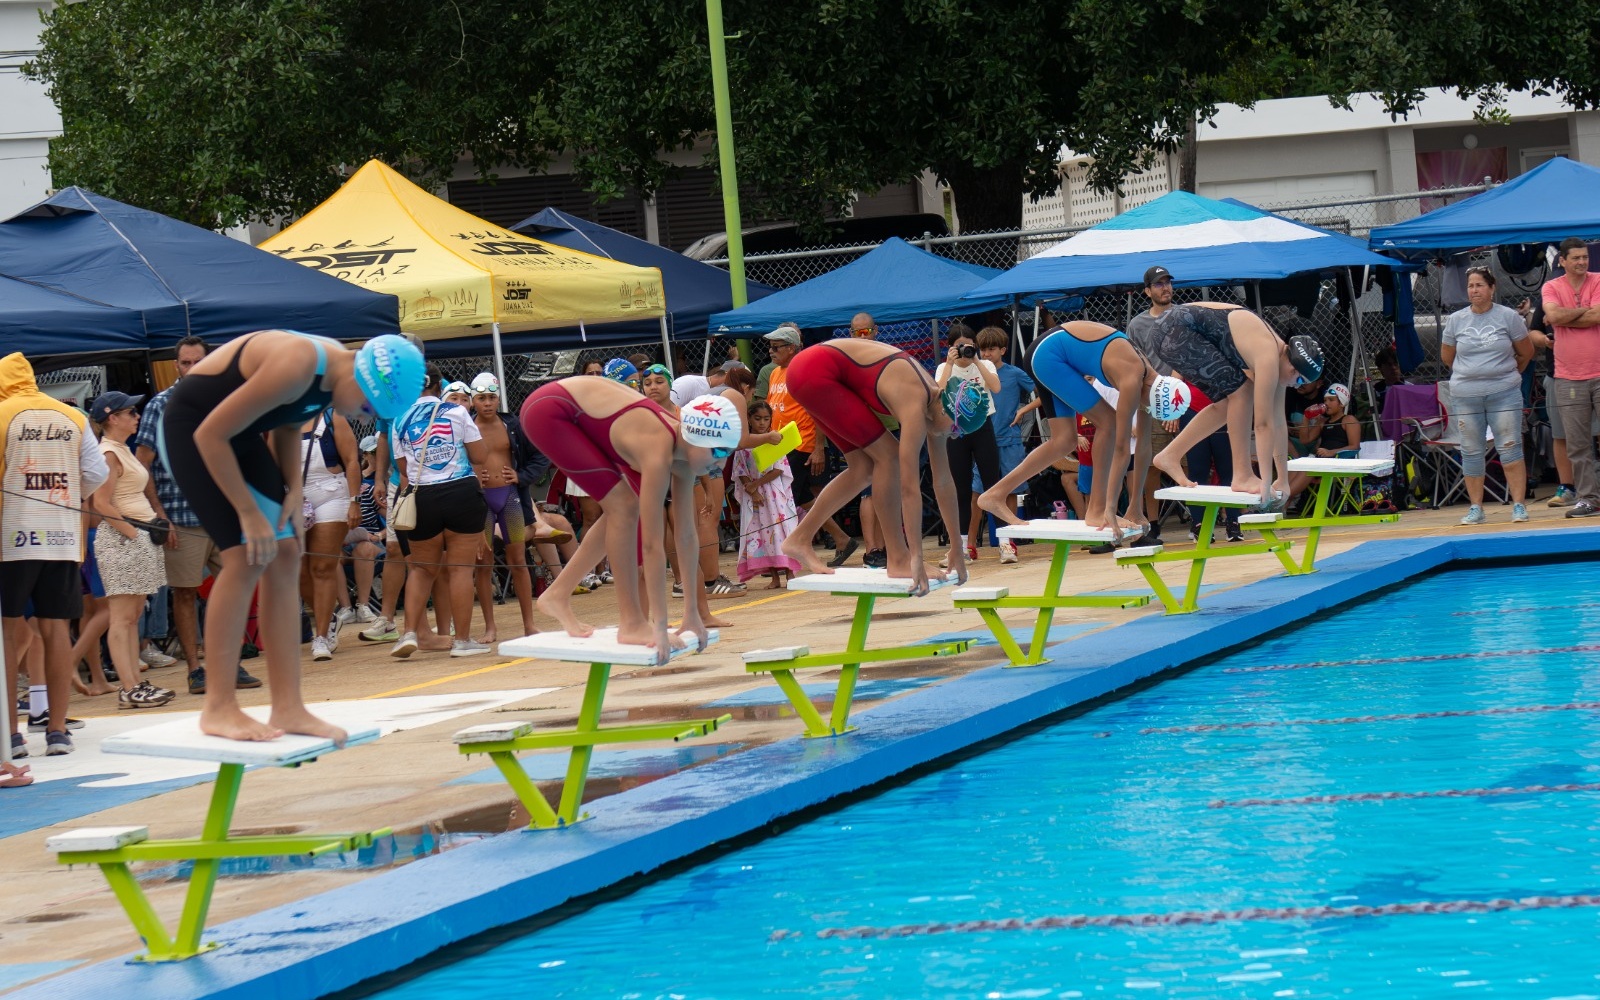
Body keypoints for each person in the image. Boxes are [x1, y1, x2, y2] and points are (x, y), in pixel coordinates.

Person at [160, 330, 424, 743]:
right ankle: (218, 707)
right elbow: (210, 435)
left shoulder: (334, 379)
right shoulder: (298, 363)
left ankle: (288, 707)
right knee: (245, 556)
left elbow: (284, 427)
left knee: (285, 554)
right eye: (367, 406)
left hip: (241, 435)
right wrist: (248, 512)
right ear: (359, 375)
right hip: (194, 430)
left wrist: (294, 491)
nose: (363, 415)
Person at [518, 376, 736, 664]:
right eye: (717, 452)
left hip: (586, 414)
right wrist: (659, 625)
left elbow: (686, 535)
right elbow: (652, 546)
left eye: (727, 453)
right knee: (623, 506)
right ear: (694, 437)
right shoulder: (657, 449)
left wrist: (692, 614)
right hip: (550, 410)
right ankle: (631, 623)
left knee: (624, 505)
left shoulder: (683, 453)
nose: (720, 463)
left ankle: (557, 594)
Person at [780, 336, 966, 595]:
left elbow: (943, 481)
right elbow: (909, 489)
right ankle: (898, 558)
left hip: (813, 371)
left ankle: (799, 539)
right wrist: (916, 557)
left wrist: (957, 546)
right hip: (814, 372)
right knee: (890, 458)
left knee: (863, 469)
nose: (954, 436)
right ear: (946, 409)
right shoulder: (915, 401)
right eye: (956, 429)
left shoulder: (936, 405)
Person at [978, 321, 1189, 535]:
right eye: (1149, 405)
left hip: (1055, 356)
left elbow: (1143, 446)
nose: (1145, 408)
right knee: (1109, 423)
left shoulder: (1151, 383)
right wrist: (1110, 509)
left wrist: (1135, 507)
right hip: (1048, 354)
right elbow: (1122, 449)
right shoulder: (1132, 378)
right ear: (1153, 389)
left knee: (1064, 441)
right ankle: (1096, 510)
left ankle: (994, 495)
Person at [135, 336, 261, 695]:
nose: (192, 368)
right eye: (185, 362)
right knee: (186, 593)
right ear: (176, 365)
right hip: (180, 514)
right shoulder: (160, 404)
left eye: (198, 362)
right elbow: (143, 461)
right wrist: (159, 513)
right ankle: (195, 668)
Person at [1, 353, 109, 756]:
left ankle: (10, 734)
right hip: (62, 536)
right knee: (57, 630)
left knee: (9, 634)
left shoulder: (3, 413)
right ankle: (58, 730)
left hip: (11, 538)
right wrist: (65, 495)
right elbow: (97, 474)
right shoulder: (72, 416)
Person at [1145, 303, 1324, 509]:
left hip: (1173, 330)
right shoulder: (1268, 355)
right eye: (1299, 381)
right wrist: (1266, 481)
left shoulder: (1279, 357)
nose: (1297, 387)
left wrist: (1282, 479)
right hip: (1174, 329)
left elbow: (1278, 423)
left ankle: (1170, 455)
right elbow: (1263, 425)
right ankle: (1242, 475)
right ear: (1292, 368)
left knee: (1229, 402)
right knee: (1242, 392)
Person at [391, 367, 491, 658]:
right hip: (461, 492)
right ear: (438, 386)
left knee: (421, 570)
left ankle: (409, 633)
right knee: (460, 569)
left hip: (422, 496)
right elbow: (479, 456)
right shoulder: (457, 412)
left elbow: (403, 468)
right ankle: (462, 640)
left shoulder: (399, 419)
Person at [87, 392, 177, 709]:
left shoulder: (121, 449)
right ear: (112, 418)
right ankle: (129, 687)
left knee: (133, 615)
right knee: (122, 617)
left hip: (138, 537)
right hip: (123, 540)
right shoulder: (108, 453)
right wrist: (134, 533)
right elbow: (101, 503)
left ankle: (135, 683)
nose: (137, 417)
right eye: (131, 412)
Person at [1444, 267, 1533, 525]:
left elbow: (1526, 352)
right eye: (1470, 286)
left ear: (1492, 288)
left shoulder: (1508, 316)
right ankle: (1476, 508)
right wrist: (1473, 375)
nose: (1474, 290)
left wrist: (1504, 374)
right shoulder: (1456, 320)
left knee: (1510, 447)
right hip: (1466, 396)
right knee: (1471, 451)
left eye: (1480, 285)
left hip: (1504, 393)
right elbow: (1448, 357)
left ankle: (1518, 505)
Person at [763, 325, 857, 567]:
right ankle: (841, 539)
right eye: (770, 347)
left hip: (801, 443)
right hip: (782, 445)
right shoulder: (775, 373)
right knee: (802, 498)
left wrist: (818, 447)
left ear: (792, 348)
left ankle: (792, 550)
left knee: (789, 499)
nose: (771, 351)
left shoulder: (802, 371)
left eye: (776, 347)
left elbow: (817, 410)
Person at [468, 371, 546, 641]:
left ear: (498, 399)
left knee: (518, 560)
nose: (487, 403)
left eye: (491, 397)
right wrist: (471, 478)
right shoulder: (465, 427)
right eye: (481, 398)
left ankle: (529, 624)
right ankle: (490, 627)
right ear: (473, 401)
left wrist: (521, 476)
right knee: (483, 563)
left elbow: (540, 455)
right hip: (481, 502)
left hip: (510, 496)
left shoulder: (512, 424)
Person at [1542, 237, 1600, 519]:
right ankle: (1590, 499)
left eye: (1585, 257)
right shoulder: (1551, 286)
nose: (1582, 262)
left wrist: (1565, 318)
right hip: (1568, 377)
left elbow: (1597, 315)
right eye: (1576, 258)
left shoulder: (1598, 280)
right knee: (1577, 444)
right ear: (1562, 261)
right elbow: (1552, 315)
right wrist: (1582, 313)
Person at [935, 324, 1001, 564]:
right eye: (959, 346)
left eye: (968, 346)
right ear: (951, 347)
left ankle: (1005, 542)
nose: (964, 350)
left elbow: (996, 387)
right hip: (957, 431)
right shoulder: (944, 368)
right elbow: (938, 393)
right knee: (961, 490)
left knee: (993, 485)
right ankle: (961, 547)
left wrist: (977, 360)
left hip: (983, 426)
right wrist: (950, 364)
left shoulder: (985, 365)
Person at [299, 406, 361, 661]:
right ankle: (330, 616)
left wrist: (355, 501)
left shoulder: (332, 415)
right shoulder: (277, 417)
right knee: (299, 572)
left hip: (331, 493)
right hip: (293, 496)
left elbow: (352, 460)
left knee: (322, 567)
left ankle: (322, 636)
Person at [975, 326, 1037, 564]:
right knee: (977, 491)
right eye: (983, 350)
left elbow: (1043, 393)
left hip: (1009, 440)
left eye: (991, 349)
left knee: (1011, 490)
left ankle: (1008, 543)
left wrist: (1023, 410)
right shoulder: (975, 372)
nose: (986, 354)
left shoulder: (1014, 373)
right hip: (983, 440)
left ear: (1002, 350)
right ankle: (968, 544)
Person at [733, 402, 802, 588]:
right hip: (755, 496)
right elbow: (740, 470)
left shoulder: (775, 439)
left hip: (773, 495)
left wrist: (756, 484)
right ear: (748, 419)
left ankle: (789, 572)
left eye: (766, 419)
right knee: (762, 533)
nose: (762, 423)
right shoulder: (743, 444)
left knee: (780, 530)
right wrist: (751, 489)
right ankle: (774, 577)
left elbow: (779, 469)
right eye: (757, 419)